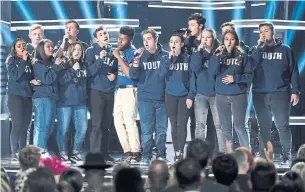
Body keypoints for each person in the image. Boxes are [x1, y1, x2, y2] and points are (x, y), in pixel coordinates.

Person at [251, 22, 300, 165]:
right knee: (263, 127)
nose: (263, 34)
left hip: (281, 93)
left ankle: (286, 157)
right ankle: (264, 156)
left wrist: (295, 91)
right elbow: (250, 67)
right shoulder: (256, 50)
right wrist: (259, 48)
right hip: (260, 94)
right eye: (261, 32)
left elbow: (293, 71)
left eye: (266, 31)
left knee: (282, 126)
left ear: (273, 32)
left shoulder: (285, 50)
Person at [129, 29, 169, 163]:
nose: (146, 42)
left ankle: (161, 154)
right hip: (145, 99)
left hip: (162, 98)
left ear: (155, 40)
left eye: (149, 39)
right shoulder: (140, 56)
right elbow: (133, 75)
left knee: (161, 130)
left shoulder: (165, 55)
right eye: (144, 39)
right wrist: (136, 60)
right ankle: (146, 155)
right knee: (146, 130)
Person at [210, 30, 253, 149]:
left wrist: (235, 78)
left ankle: (246, 153)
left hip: (238, 95)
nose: (229, 42)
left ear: (236, 41)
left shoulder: (244, 56)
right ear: (223, 41)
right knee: (225, 128)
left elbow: (249, 76)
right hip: (221, 95)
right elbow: (211, 72)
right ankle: (229, 154)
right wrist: (216, 56)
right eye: (226, 39)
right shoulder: (218, 56)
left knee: (239, 126)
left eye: (232, 39)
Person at [190, 28, 226, 154]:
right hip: (201, 94)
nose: (205, 40)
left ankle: (222, 152)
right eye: (203, 37)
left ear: (213, 38)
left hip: (216, 94)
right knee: (200, 125)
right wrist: (199, 52)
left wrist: (216, 56)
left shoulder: (219, 53)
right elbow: (193, 68)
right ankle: (198, 153)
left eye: (208, 37)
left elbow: (213, 71)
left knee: (219, 125)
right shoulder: (197, 52)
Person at [85, 26, 118, 161]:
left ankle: (105, 153)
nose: (105, 35)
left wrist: (115, 76)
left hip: (109, 91)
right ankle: (94, 154)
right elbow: (89, 72)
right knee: (96, 125)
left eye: (106, 33)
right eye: (101, 34)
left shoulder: (112, 52)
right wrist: (100, 59)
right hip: (96, 91)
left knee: (106, 125)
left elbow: (116, 69)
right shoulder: (91, 51)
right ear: (96, 38)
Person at [112, 26, 141, 163]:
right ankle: (127, 151)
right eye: (119, 38)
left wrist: (118, 57)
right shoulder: (120, 52)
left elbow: (130, 73)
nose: (119, 41)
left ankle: (136, 152)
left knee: (130, 121)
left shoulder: (133, 53)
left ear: (130, 40)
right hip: (119, 90)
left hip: (130, 89)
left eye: (123, 39)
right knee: (117, 121)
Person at [165, 33, 195, 162]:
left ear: (182, 44)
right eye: (171, 41)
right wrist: (169, 59)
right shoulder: (166, 58)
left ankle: (180, 151)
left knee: (182, 124)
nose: (173, 44)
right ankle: (176, 151)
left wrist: (190, 95)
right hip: (170, 95)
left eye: (176, 41)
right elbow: (162, 75)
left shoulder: (188, 58)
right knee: (173, 124)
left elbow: (193, 78)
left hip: (184, 96)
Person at [56, 42, 88, 163]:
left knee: (82, 129)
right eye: (75, 49)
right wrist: (73, 71)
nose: (77, 51)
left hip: (80, 102)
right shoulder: (64, 64)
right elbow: (60, 80)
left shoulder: (84, 65)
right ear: (70, 51)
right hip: (65, 102)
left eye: (80, 49)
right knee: (63, 129)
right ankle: (63, 152)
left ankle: (76, 151)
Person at [6, 38, 35, 162]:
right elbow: (15, 76)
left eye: (24, 45)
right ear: (14, 49)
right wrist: (23, 60)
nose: (22, 47)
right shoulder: (11, 60)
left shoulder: (29, 61)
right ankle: (13, 152)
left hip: (27, 96)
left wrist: (33, 81)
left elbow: (30, 76)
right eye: (19, 46)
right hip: (15, 96)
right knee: (17, 124)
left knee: (26, 125)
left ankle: (23, 151)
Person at [32, 39, 62, 157]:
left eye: (52, 46)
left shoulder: (49, 63)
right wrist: (56, 67)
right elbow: (47, 80)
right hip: (43, 97)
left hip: (51, 97)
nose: (51, 48)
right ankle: (40, 151)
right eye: (48, 47)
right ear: (41, 50)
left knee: (48, 126)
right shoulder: (38, 64)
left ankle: (41, 150)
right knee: (42, 126)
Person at [186, 13, 206, 140]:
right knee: (195, 122)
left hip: (206, 86)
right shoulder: (189, 42)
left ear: (201, 26)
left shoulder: (210, 41)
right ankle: (196, 150)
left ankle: (213, 152)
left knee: (210, 123)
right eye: (189, 25)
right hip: (191, 85)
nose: (190, 28)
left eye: (192, 25)